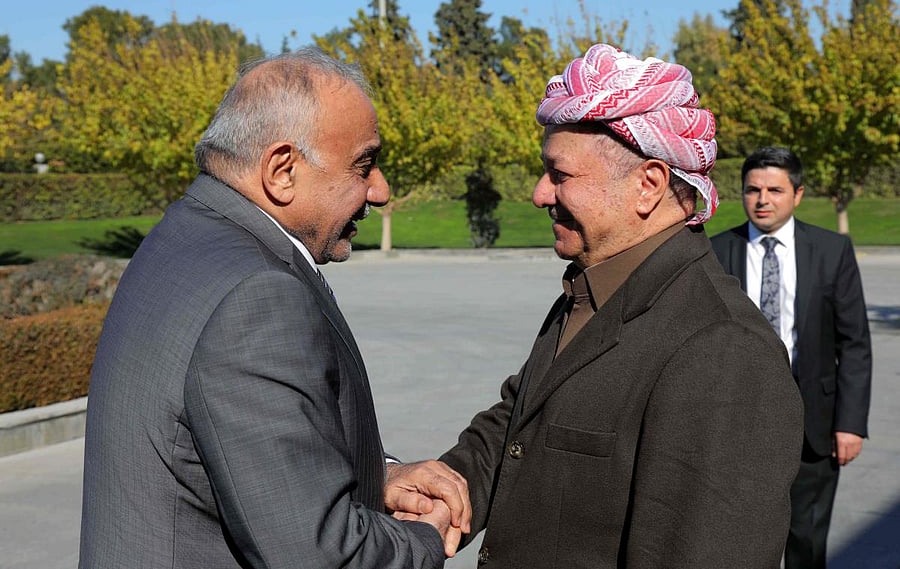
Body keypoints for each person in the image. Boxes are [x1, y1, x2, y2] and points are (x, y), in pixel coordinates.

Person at [391, 44, 804, 568]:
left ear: (647, 185)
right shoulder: (590, 289)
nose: (541, 194)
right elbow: (520, 425)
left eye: (559, 175)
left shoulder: (723, 348)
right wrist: (436, 491)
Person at [78, 48, 471, 569]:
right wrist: (424, 537)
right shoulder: (256, 294)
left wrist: (379, 476)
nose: (380, 190)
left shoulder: (186, 233)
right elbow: (318, 554)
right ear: (282, 170)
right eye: (364, 164)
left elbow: (246, 453)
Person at [711, 146, 872, 569]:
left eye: (775, 190)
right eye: (752, 189)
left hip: (813, 423)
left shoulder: (832, 251)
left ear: (797, 195)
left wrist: (850, 423)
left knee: (805, 540)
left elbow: (853, 342)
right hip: (734, 424)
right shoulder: (713, 253)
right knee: (738, 543)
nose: (763, 199)